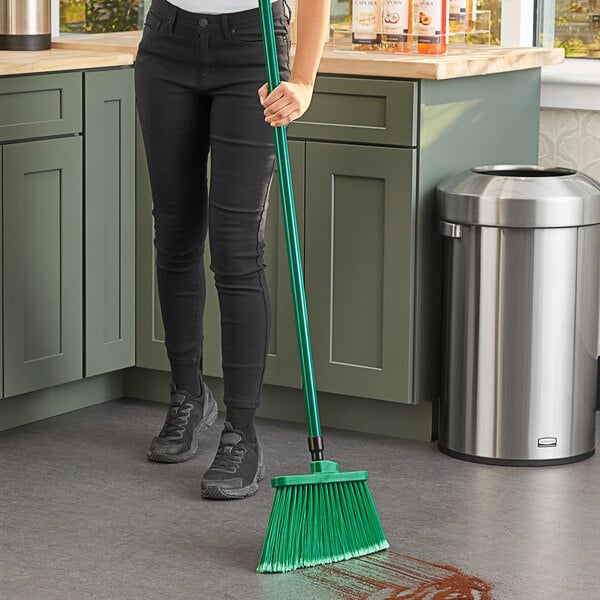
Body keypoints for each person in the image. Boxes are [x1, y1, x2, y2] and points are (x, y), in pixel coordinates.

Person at [134, 0, 330, 499]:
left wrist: (303, 82)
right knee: (175, 235)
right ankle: (188, 396)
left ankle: (242, 432)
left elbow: (315, 4)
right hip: (166, 40)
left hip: (253, 47)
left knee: (235, 250)